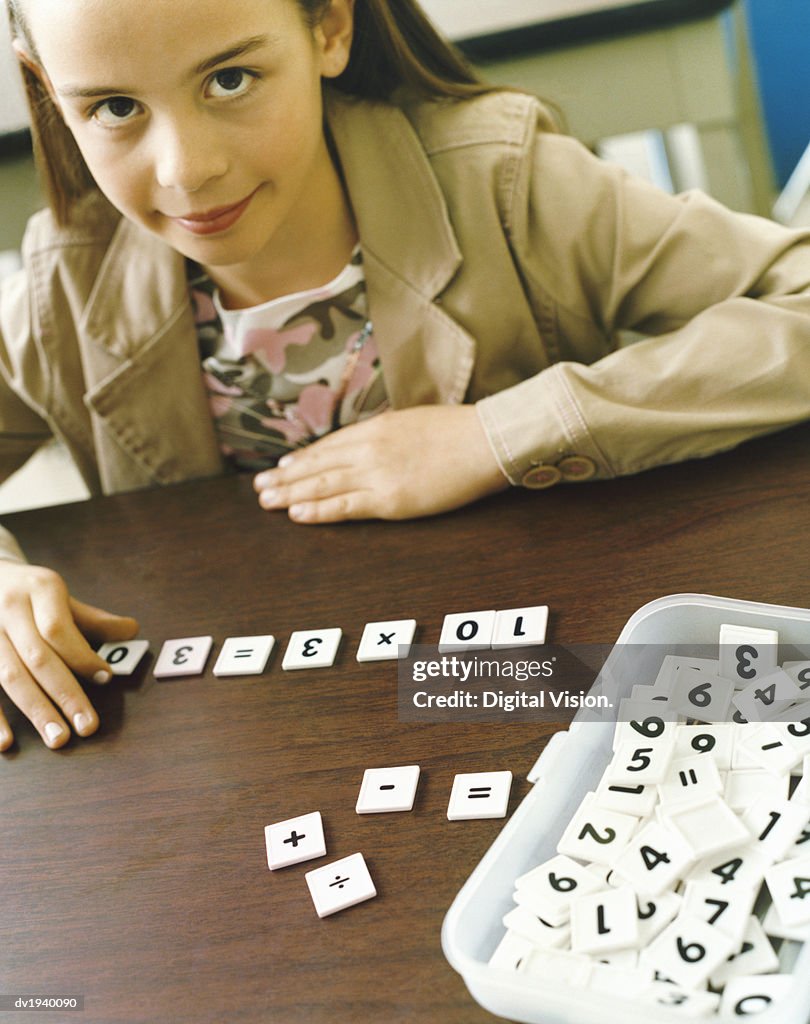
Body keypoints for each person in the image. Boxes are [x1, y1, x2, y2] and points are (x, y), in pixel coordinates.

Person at [1, 0, 809, 752]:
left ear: (329, 28)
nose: (186, 169)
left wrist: (501, 434)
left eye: (229, 79)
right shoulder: (61, 283)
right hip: (260, 740)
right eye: (113, 108)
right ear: (45, 89)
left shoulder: (504, 178)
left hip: (540, 692)